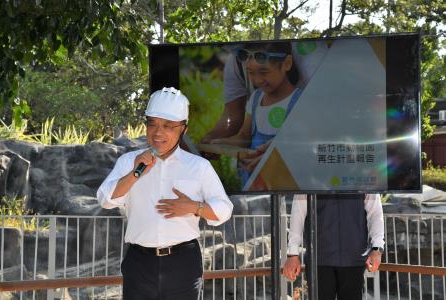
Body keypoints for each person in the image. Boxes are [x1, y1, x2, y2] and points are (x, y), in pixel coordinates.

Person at [97, 87, 233, 300]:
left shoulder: (199, 166)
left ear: (183, 130)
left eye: (168, 126)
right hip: (139, 263)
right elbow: (105, 200)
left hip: (183, 263)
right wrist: (134, 173)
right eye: (153, 124)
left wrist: (193, 207)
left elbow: (224, 210)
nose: (158, 132)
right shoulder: (129, 162)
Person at [211, 42, 301, 184]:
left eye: (264, 72)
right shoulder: (256, 98)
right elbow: (244, 136)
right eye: (251, 73)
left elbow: (298, 145)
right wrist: (221, 143)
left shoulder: (299, 101)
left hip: (282, 181)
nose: (258, 80)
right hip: (251, 182)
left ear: (287, 64)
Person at [283, 194, 385, 300]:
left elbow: (376, 215)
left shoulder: (364, 178)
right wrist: (293, 254)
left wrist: (377, 248)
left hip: (353, 259)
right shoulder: (307, 178)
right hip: (319, 260)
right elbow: (298, 213)